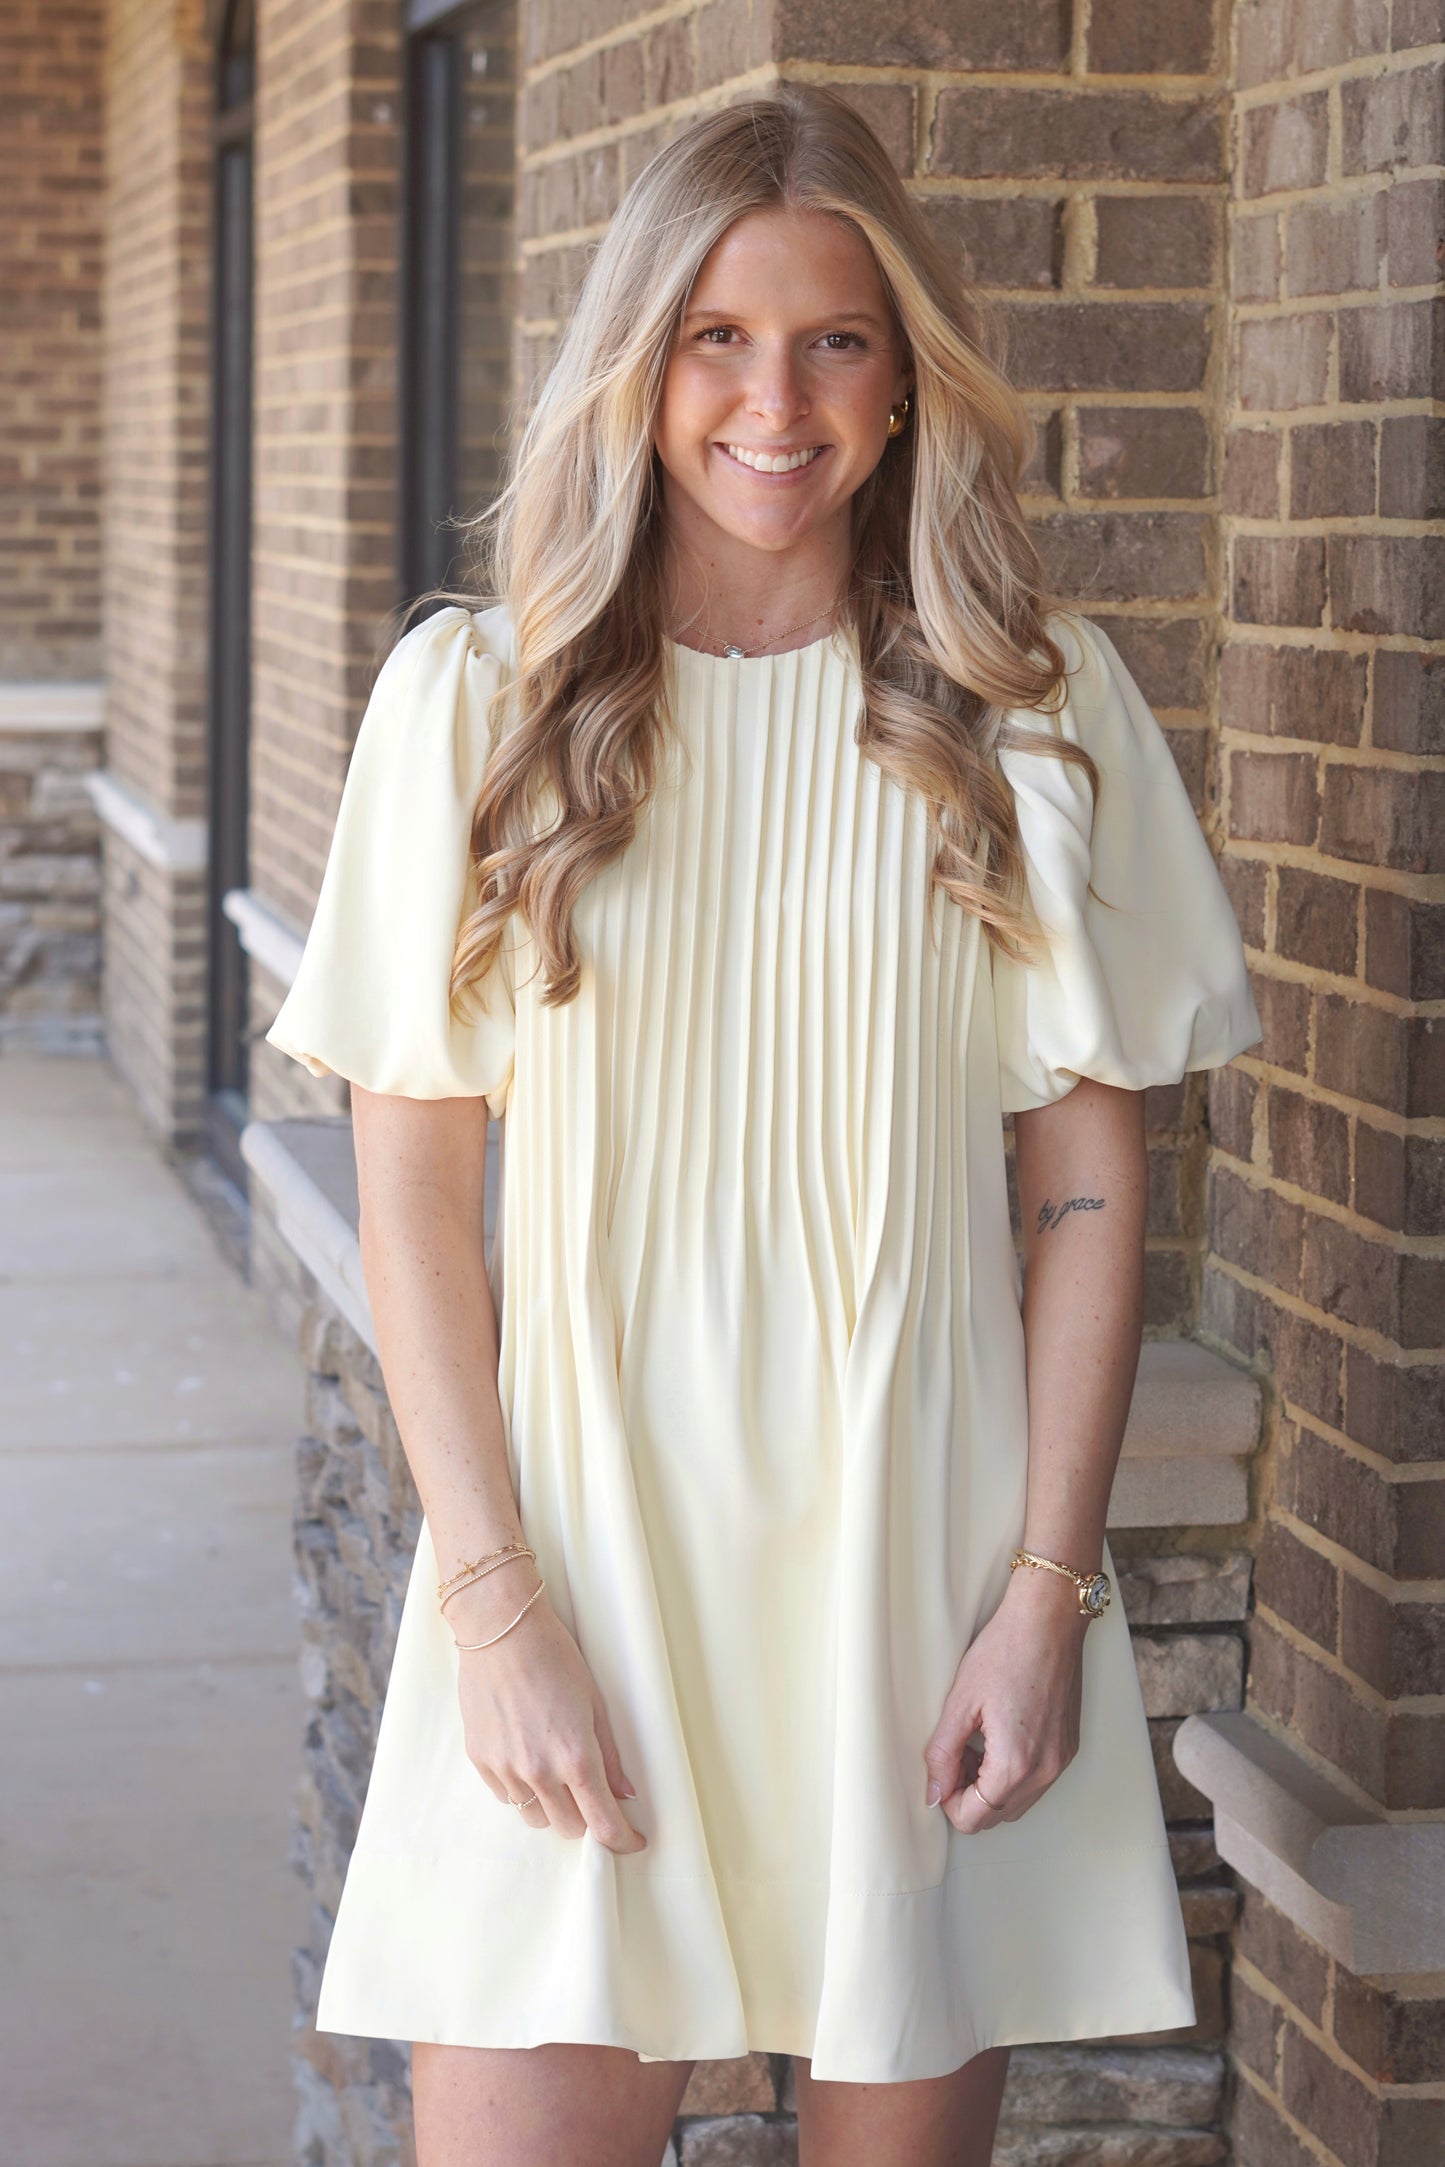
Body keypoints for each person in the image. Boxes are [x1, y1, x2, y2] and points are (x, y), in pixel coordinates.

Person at [266, 83, 1261, 2167]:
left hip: (918, 1585)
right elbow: (417, 1191)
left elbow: (1086, 1194)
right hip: (581, 1581)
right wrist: (494, 1614)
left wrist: (1044, 1595)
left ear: (907, 385)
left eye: (834, 340)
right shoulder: (480, 700)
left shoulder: (1036, 710)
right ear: (638, 369)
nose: (774, 400)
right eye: (717, 336)